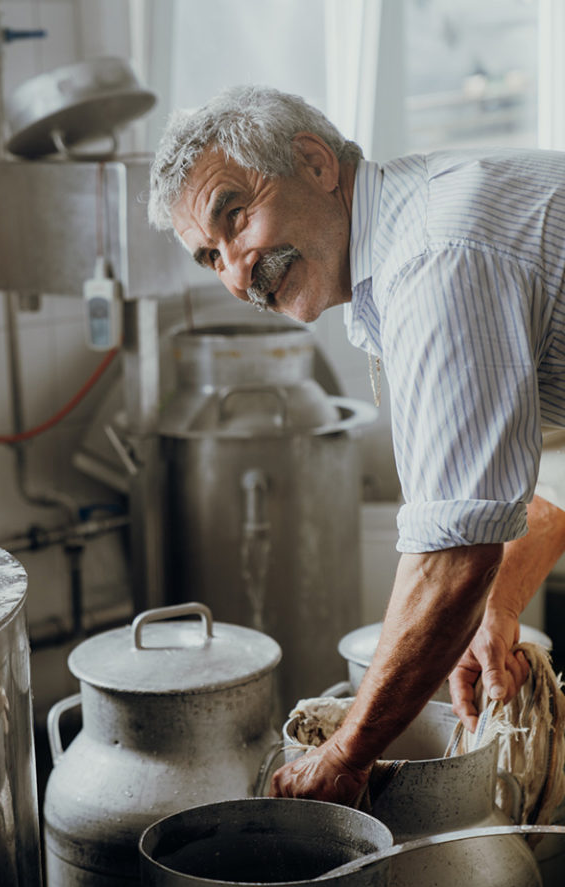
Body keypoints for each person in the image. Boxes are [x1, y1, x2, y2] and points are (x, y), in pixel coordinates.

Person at [148, 84, 565, 803]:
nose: (238, 273)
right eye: (210, 256)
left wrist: (345, 753)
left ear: (316, 163)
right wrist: (495, 602)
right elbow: (522, 507)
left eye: (236, 216)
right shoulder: (400, 247)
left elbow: (454, 555)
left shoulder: (433, 259)